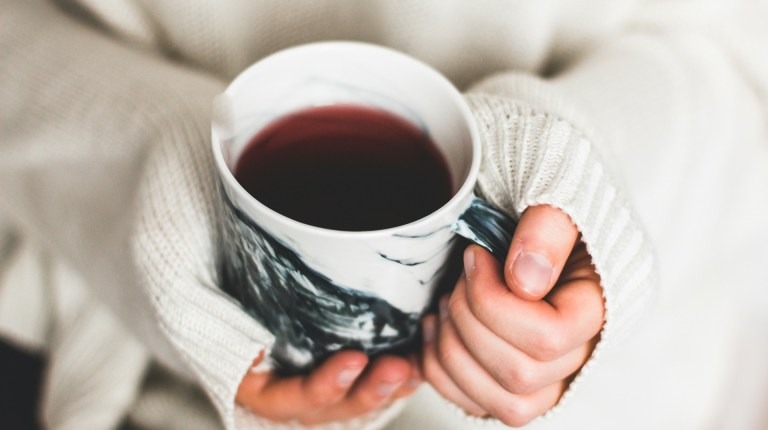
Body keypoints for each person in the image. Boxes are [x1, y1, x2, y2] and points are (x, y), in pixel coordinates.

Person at [1, 0, 767, 429]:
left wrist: (587, 174)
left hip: (609, 402)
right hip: (133, 368)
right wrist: (158, 167)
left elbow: (741, 80)